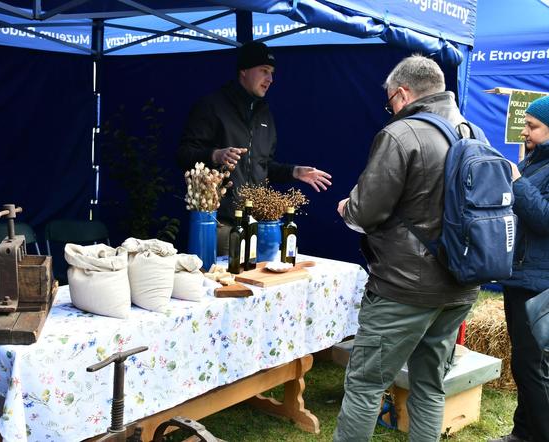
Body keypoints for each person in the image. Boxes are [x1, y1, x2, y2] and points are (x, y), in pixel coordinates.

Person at [334, 54, 479, 441]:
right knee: (430, 386)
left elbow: (366, 211)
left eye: (389, 102)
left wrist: (348, 206)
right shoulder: (472, 132)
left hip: (404, 287)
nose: (391, 110)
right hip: (461, 284)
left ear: (402, 93)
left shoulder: (401, 134)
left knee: (365, 385)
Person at [176, 41, 332, 255]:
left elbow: (263, 166)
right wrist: (215, 154)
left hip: (258, 224)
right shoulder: (212, 106)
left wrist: (294, 172)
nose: (270, 79)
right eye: (264, 71)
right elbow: (183, 154)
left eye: (272, 73)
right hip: (221, 224)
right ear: (244, 71)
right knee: (228, 286)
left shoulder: (264, 114)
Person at [490, 95, 549, 442]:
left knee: (533, 368)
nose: (524, 131)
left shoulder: (528, 169)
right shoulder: (534, 161)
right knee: (524, 365)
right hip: (520, 275)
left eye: (532, 126)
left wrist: (515, 180)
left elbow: (544, 219)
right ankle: (522, 433)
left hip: (539, 282)